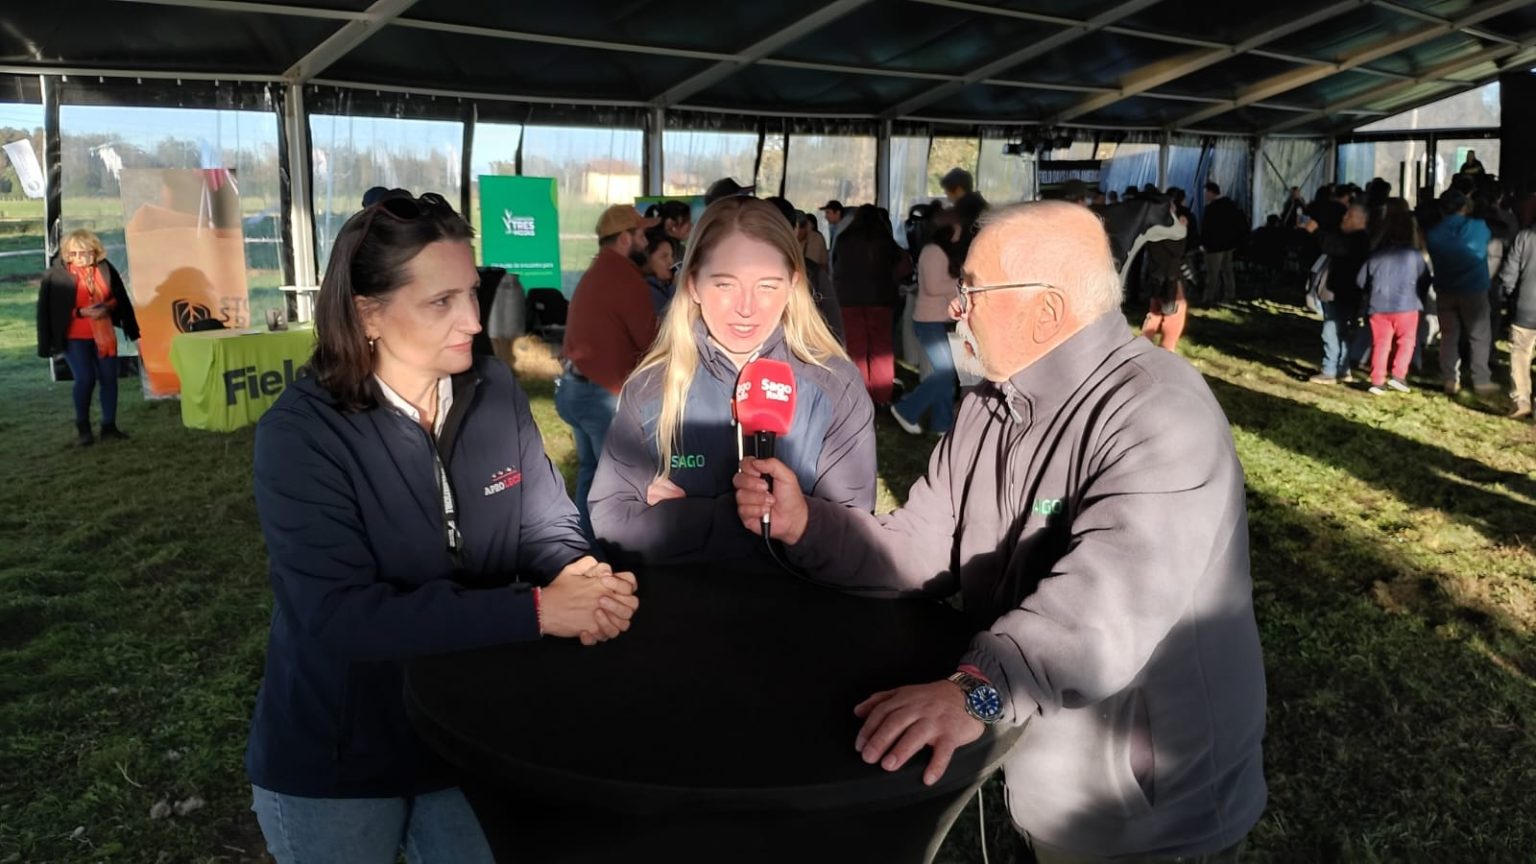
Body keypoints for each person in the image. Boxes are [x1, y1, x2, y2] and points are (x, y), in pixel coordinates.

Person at [734, 200, 1266, 863]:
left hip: (1148, 814)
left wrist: (977, 691)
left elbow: (1106, 610)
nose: (957, 307)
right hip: (1036, 768)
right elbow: (924, 543)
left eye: (974, 290)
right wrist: (810, 525)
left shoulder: (1159, 413)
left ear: (1045, 311)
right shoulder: (991, 401)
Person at [246, 191, 640, 864]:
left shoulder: (491, 390)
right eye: (440, 302)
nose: (471, 317)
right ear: (366, 313)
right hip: (340, 753)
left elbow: (544, 520)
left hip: (471, 738)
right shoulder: (302, 432)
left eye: (471, 290)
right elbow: (342, 616)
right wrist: (539, 611)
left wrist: (581, 572)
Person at [588, 196, 874, 569]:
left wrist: (677, 519)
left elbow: (850, 535)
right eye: (725, 285)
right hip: (684, 611)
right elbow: (610, 521)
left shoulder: (836, 383)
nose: (746, 307)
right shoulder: (651, 388)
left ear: (793, 285)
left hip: (802, 614)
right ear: (692, 285)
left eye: (768, 286)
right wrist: (738, 520)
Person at [557, 205, 660, 539]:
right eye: (642, 235)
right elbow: (650, 341)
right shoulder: (625, 278)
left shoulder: (596, 271)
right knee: (619, 483)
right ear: (625, 238)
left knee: (591, 472)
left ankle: (587, 544)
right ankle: (616, 552)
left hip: (573, 389)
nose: (646, 241)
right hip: (600, 395)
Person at [36, 229, 140, 446]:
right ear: (68, 254)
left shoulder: (104, 268)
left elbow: (117, 297)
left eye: (87, 253)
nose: (82, 258)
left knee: (109, 378)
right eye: (76, 253)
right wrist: (81, 313)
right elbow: (51, 310)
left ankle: (109, 426)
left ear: (96, 252)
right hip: (75, 337)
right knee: (85, 378)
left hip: (103, 334)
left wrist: (107, 307)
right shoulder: (56, 276)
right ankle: (83, 428)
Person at [891, 211, 962, 436]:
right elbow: (932, 287)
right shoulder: (933, 252)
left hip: (941, 320)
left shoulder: (941, 252)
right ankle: (906, 409)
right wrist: (962, 283)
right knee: (945, 373)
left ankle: (942, 424)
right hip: (929, 321)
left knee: (946, 375)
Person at [833, 204, 912, 404]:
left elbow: (835, 265)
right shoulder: (885, 241)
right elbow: (903, 266)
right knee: (881, 350)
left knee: (856, 350)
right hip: (881, 300)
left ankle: (859, 396)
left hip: (849, 300)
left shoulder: (844, 239)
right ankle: (882, 396)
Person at [1426, 189, 1497, 395]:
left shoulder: (1434, 233)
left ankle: (1450, 378)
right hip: (1474, 289)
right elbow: (1487, 241)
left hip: (1445, 289)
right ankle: (1481, 379)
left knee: (1449, 335)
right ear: (1464, 207)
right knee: (1479, 335)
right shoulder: (1478, 227)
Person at [1357, 199, 1429, 395]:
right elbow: (1424, 279)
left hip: (1378, 306)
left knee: (1381, 343)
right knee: (1406, 341)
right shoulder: (1414, 255)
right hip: (1407, 305)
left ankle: (1377, 380)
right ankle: (1398, 376)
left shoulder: (1376, 254)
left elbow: (1361, 279)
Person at [1304, 203, 1372, 384]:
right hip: (1345, 292)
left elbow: (1333, 246)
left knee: (1331, 331)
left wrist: (1316, 232)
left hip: (1340, 292)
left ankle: (1330, 370)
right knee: (1342, 332)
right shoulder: (1356, 239)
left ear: (1361, 220)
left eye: (1349, 216)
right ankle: (1342, 368)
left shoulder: (1357, 240)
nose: (1344, 219)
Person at [1140, 199, 1190, 352]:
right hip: (1169, 276)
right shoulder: (1168, 230)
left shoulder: (1150, 228)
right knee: (1174, 313)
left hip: (1156, 274)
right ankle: (1166, 349)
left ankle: (1143, 343)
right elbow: (1177, 251)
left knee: (1155, 311)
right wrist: (1183, 229)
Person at [1498, 218, 1536, 419]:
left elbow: (1509, 273)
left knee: (1520, 354)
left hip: (1526, 307)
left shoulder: (1524, 237)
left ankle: (1521, 400)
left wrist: (1512, 297)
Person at [1201, 181, 1247, 306]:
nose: (1205, 196)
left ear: (1211, 192)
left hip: (1214, 246)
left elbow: (1206, 229)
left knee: (1212, 273)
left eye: (1206, 193)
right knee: (1228, 271)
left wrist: (1204, 244)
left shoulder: (1211, 209)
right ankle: (1229, 294)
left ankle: (1209, 297)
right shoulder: (1231, 205)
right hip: (1229, 245)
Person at [641, 224, 679, 318]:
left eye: (671, 256)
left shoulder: (663, 285)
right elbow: (669, 319)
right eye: (664, 256)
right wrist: (676, 288)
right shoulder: (648, 290)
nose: (671, 262)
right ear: (647, 259)